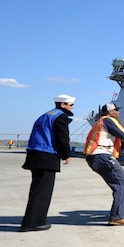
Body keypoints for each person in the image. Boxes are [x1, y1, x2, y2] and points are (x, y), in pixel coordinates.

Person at [83, 102, 124, 226]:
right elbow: (123, 133)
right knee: (122, 182)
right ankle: (117, 217)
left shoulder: (101, 122)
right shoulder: (108, 120)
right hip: (102, 156)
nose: (118, 112)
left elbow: (110, 141)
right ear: (110, 112)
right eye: (116, 110)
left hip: (96, 156)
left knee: (121, 182)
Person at [20, 94, 75, 232]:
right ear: (62, 105)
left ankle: (33, 220)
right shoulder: (60, 116)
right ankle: (33, 223)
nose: (72, 107)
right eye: (70, 104)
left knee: (36, 189)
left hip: (34, 154)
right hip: (47, 156)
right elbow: (62, 137)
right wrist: (66, 155)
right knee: (43, 192)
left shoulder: (45, 115)